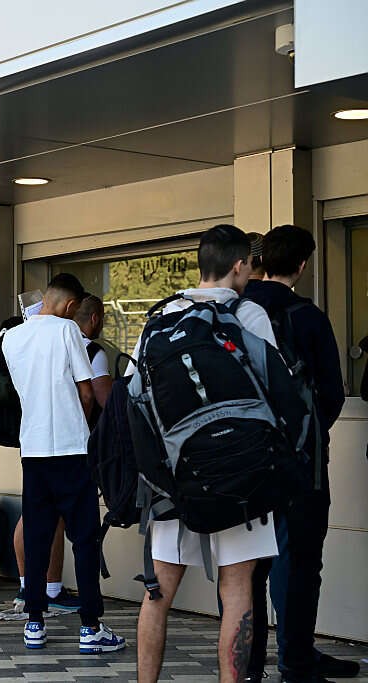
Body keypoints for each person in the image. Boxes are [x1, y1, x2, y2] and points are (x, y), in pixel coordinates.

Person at [135, 224, 279, 683]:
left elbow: (136, 398)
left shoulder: (160, 318)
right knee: (237, 590)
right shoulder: (249, 315)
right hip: (242, 479)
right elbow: (275, 391)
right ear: (239, 265)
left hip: (175, 477)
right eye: (248, 266)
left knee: (158, 592)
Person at [243, 225, 357, 682]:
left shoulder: (232, 311)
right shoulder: (307, 316)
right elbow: (332, 393)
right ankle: (296, 661)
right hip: (299, 464)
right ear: (303, 264)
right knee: (299, 563)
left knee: (246, 567)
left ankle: (247, 666)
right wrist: (309, 436)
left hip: (241, 462)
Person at [3, 272, 125, 653]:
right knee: (84, 538)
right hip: (71, 450)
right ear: (71, 306)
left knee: (37, 536)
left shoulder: (11, 337)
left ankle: (34, 623)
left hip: (33, 449)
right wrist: (83, 426)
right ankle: (91, 627)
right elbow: (87, 392)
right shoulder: (68, 331)